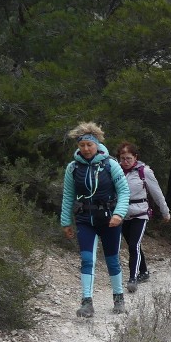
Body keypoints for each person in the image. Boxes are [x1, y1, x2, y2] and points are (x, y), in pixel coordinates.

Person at [60, 122, 130, 318]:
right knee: (87, 260)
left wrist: (119, 214)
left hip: (110, 220)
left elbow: (124, 191)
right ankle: (87, 302)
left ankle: (118, 298)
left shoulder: (110, 165)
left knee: (112, 260)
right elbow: (68, 196)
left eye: (89, 145)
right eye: (82, 145)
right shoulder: (73, 168)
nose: (86, 149)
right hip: (85, 220)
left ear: (97, 144)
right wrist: (65, 222)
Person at [117, 142, 170, 292]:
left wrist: (165, 211)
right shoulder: (117, 171)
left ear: (135, 157)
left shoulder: (144, 172)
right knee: (134, 245)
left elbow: (157, 193)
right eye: (122, 158)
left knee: (134, 245)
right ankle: (144, 271)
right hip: (123, 213)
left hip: (140, 212)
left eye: (128, 158)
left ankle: (132, 278)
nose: (125, 162)